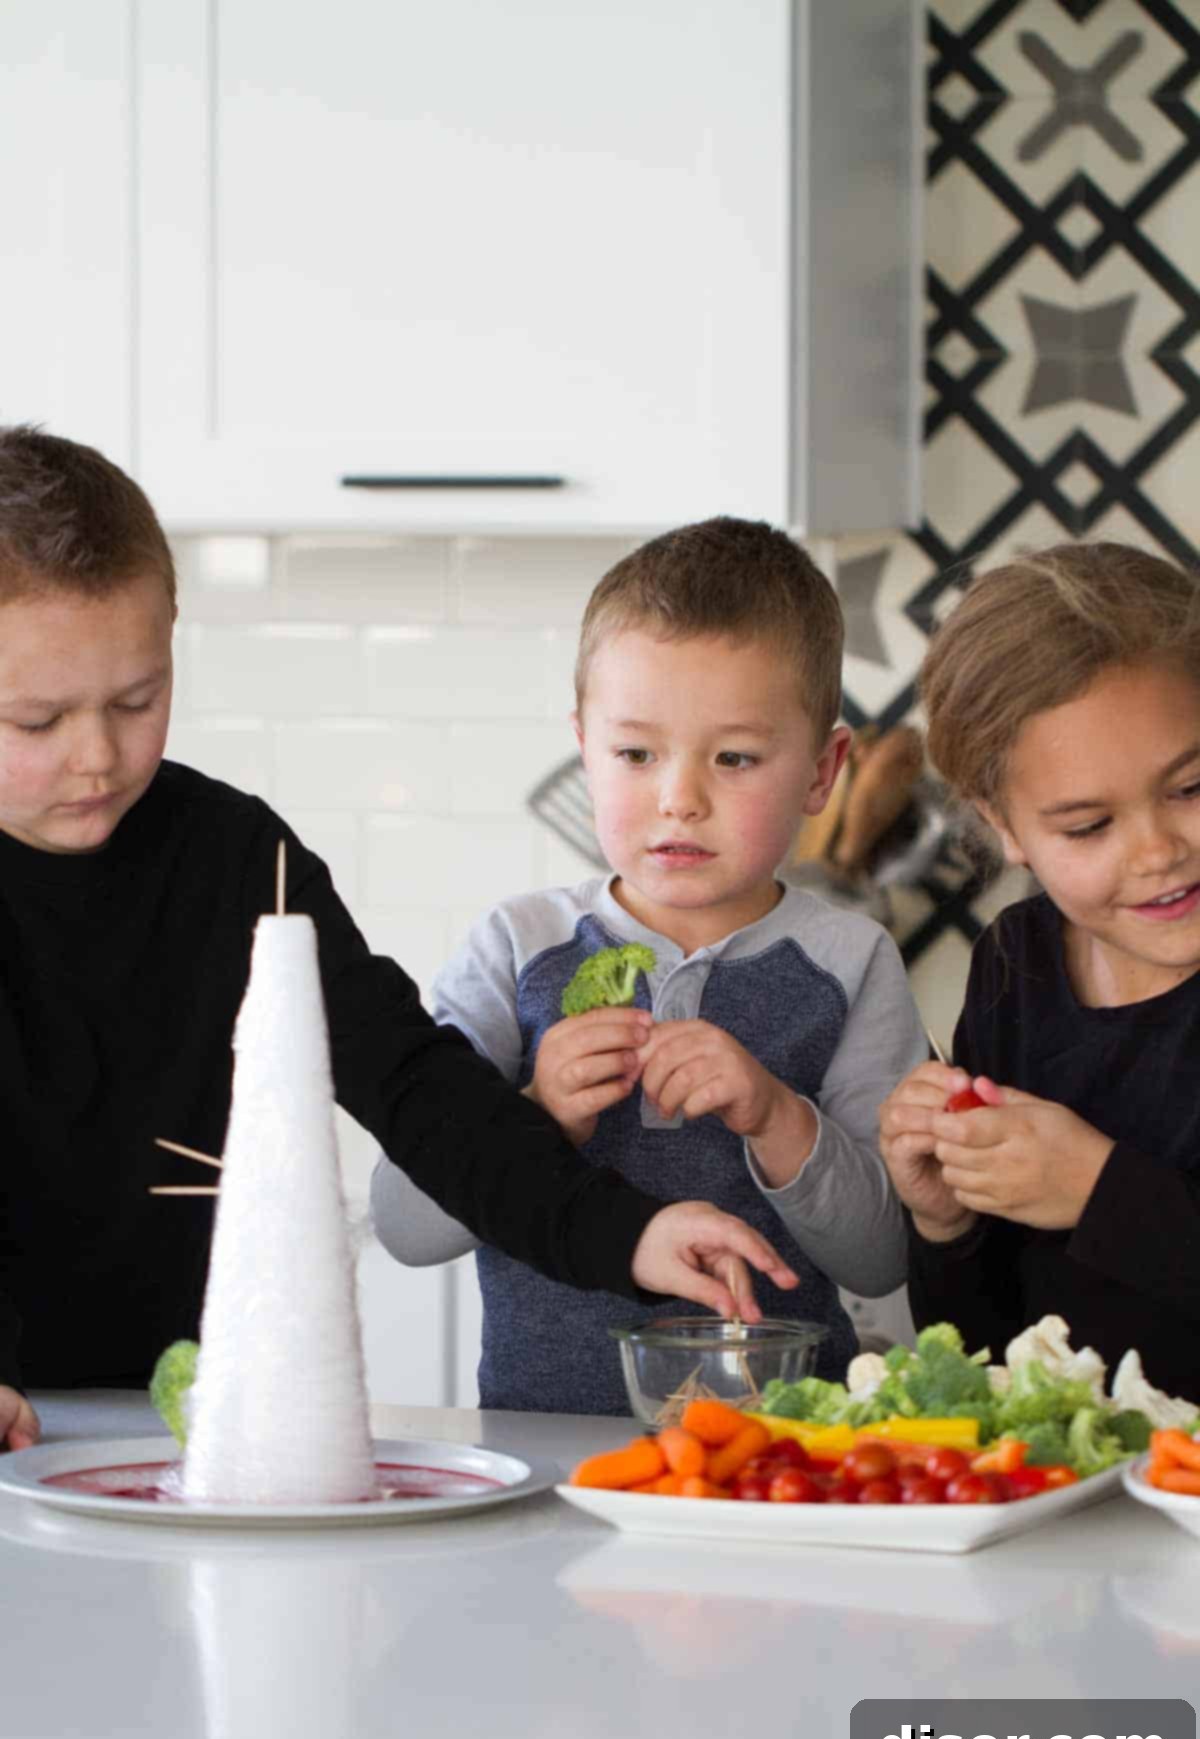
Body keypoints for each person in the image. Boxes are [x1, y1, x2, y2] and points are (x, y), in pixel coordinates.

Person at [0, 429, 800, 1454]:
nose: (100, 756)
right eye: (36, 722)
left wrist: (627, 1232)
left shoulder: (235, 858)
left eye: (137, 700)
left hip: (182, 1426)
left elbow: (420, 1088)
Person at [372, 517, 929, 1413]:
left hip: (782, 1463)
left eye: (736, 758)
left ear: (823, 772)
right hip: (542, 1451)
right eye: (636, 754)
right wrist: (535, 1117)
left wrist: (776, 1115)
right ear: (585, 747)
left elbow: (884, 1256)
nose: (680, 798)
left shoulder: (852, 962)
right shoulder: (515, 949)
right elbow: (402, 1224)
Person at [879, 541, 1200, 1399]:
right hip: (1075, 1507)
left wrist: (1099, 1191)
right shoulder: (1017, 964)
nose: (1159, 850)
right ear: (1007, 828)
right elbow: (989, 1353)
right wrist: (948, 1223)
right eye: (1090, 825)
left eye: (1191, 786)